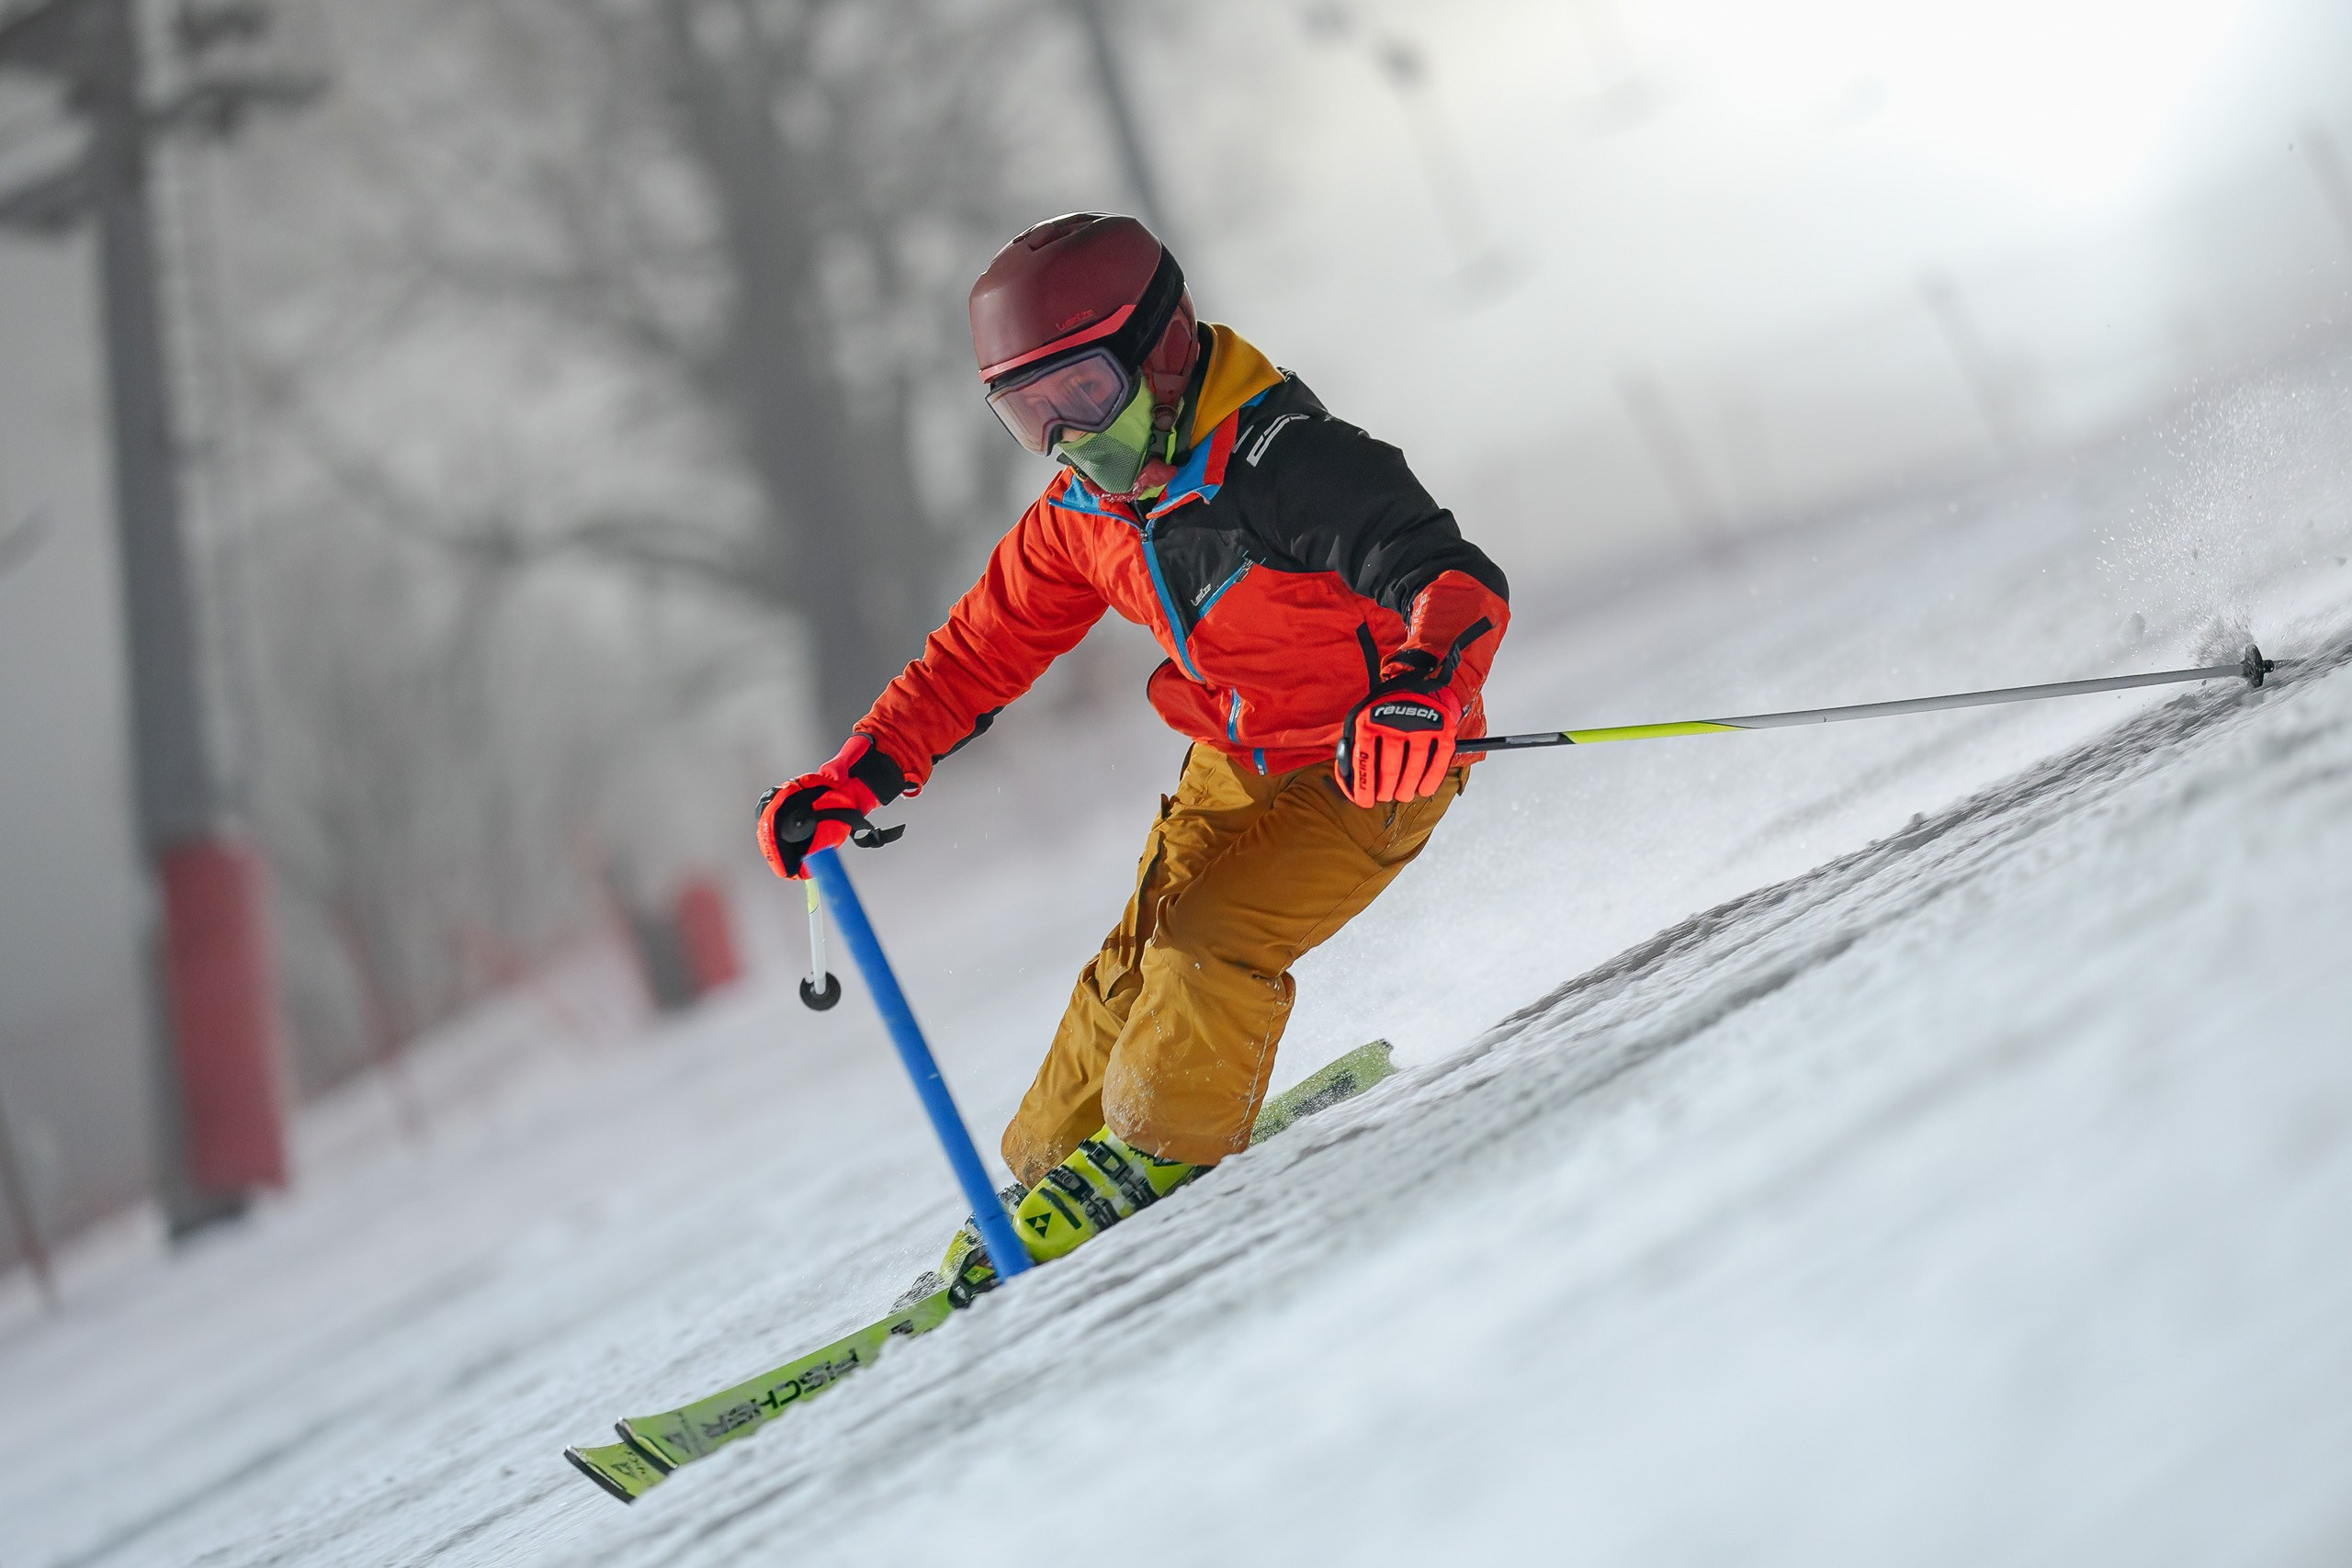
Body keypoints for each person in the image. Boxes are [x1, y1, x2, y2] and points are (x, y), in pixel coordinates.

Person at [756, 213, 1510, 1297]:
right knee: (1128, 970)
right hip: (1229, 758)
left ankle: (1156, 1145)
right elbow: (978, 654)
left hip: (1365, 763)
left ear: (1164, 351)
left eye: (1086, 396)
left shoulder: (1285, 465)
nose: (1068, 440)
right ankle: (1051, 1176)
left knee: (1207, 942)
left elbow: (1453, 578)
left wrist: (1422, 689)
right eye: (1031, 414)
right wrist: (860, 772)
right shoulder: (1083, 517)